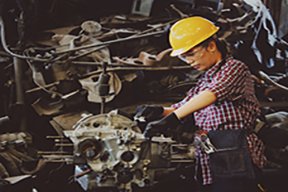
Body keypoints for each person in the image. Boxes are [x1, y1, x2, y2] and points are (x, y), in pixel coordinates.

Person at [138, 16, 266, 192]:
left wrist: (174, 117)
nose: (189, 61)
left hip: (236, 155)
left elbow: (212, 94)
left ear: (211, 46)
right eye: (184, 57)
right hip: (210, 155)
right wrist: (159, 112)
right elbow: (183, 106)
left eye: (191, 54)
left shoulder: (235, 68)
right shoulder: (204, 80)